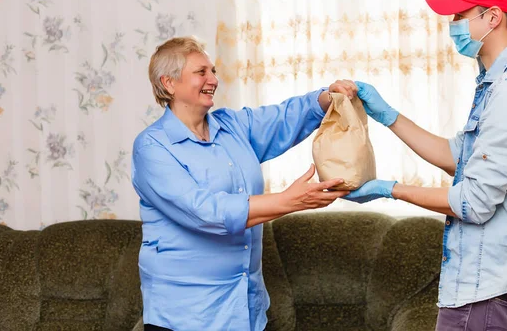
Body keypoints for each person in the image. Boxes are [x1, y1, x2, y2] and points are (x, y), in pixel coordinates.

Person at [347, 0, 507, 330]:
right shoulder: (498, 85)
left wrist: (391, 190)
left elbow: (474, 202)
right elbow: (456, 157)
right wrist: (388, 116)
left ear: (492, 17)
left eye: (461, 15)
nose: (453, 24)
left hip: (495, 287)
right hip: (486, 283)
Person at [131, 36, 357, 331]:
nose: (213, 79)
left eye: (213, 71)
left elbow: (282, 118)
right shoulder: (152, 148)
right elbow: (205, 212)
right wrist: (289, 200)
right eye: (202, 72)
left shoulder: (234, 127)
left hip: (246, 310)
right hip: (186, 317)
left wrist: (327, 97)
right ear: (169, 83)